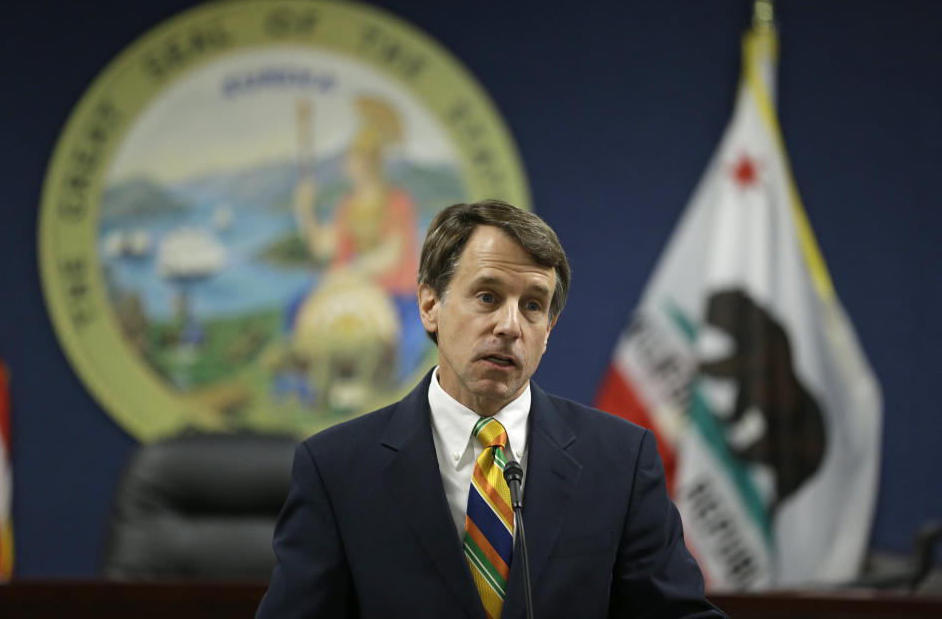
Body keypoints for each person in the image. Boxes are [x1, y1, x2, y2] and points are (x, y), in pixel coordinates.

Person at [257, 200, 725, 618]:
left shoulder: (620, 461)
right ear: (429, 305)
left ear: (549, 328)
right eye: (487, 297)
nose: (509, 325)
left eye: (533, 306)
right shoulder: (336, 469)